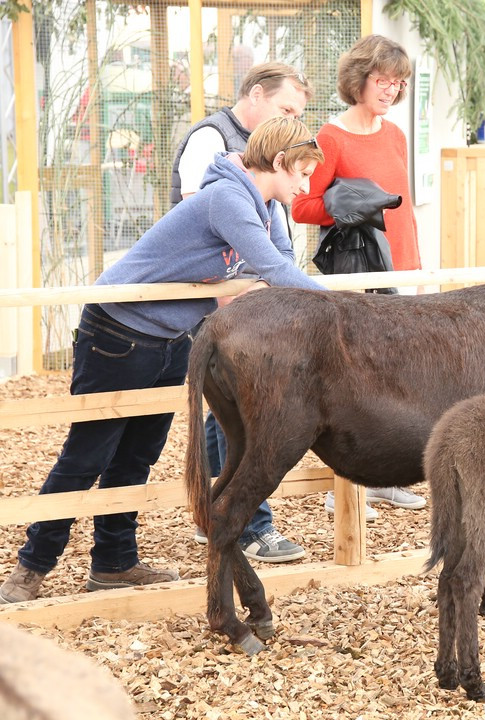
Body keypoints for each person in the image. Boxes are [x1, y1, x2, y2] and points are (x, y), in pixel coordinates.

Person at [0, 117, 326, 604]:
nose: (305, 185)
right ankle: (30, 568)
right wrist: (355, 307)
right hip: (118, 331)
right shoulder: (227, 198)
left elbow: (280, 263)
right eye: (301, 173)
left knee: (138, 454)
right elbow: (276, 269)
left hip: (173, 336)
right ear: (278, 162)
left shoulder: (267, 206)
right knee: (87, 455)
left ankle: (113, 562)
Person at [172, 61, 314, 562]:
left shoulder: (262, 175)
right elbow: (217, 230)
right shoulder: (213, 146)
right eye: (287, 110)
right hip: (212, 309)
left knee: (226, 416)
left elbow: (273, 246)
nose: (293, 118)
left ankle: (221, 517)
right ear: (256, 96)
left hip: (246, 307)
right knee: (238, 417)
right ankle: (246, 523)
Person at [292, 34, 426, 520]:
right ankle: (344, 486)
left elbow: (403, 209)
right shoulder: (329, 137)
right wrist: (345, 207)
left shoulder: (394, 135)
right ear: (359, 80)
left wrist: (418, 266)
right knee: (358, 380)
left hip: (404, 268)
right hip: (359, 274)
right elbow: (302, 204)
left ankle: (386, 478)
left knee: (400, 378)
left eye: (398, 83)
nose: (390, 91)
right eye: (382, 81)